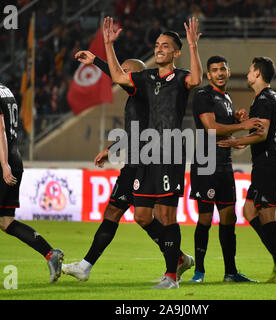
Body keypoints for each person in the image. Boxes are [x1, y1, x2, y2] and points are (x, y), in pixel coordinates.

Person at [62, 52, 193, 282]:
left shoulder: (142, 91)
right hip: (134, 162)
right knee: (134, 216)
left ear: (138, 76)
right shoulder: (136, 97)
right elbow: (133, 132)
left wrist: (98, 62)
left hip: (147, 163)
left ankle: (175, 262)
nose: (120, 74)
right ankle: (86, 266)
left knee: (152, 215)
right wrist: (111, 149)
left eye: (125, 70)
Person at [102, 16, 203, 289]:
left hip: (170, 151)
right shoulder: (145, 78)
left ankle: (171, 275)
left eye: (165, 46)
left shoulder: (181, 77)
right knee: (142, 215)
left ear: (176, 52)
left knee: (167, 215)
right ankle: (180, 260)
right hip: (147, 154)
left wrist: (194, 47)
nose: (159, 49)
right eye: (157, 45)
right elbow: (117, 76)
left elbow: (197, 78)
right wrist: (109, 45)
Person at [218, 57, 276, 284]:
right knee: (250, 211)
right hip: (265, 162)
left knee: (266, 214)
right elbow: (261, 134)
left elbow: (261, 134)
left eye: (251, 70)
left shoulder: (263, 100)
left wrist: (235, 141)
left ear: (258, 73)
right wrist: (245, 141)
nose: (248, 74)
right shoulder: (271, 98)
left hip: (268, 162)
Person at [189, 56, 261, 283]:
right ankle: (199, 271)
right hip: (206, 164)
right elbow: (210, 128)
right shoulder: (203, 95)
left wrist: (234, 119)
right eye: (214, 70)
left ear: (228, 72)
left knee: (229, 217)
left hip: (224, 164)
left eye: (223, 69)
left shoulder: (226, 98)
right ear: (208, 75)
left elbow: (222, 128)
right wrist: (242, 125)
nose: (219, 73)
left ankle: (230, 272)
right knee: (205, 218)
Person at [0, 83, 64, 283]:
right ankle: (50, 253)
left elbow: (0, 128)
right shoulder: (6, 90)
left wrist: (3, 164)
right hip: (14, 157)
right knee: (6, 222)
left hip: (3, 162)